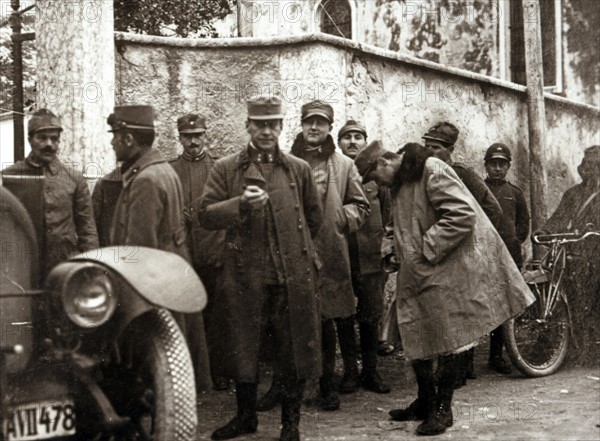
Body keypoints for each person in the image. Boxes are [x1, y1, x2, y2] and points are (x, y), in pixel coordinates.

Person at [354, 141, 534, 436]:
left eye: (375, 177)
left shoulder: (431, 170)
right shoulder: (400, 183)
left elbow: (461, 215)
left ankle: (443, 410)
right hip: (418, 274)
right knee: (419, 338)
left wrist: (423, 248)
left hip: (444, 272)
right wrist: (390, 248)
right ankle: (425, 401)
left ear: (384, 163)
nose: (378, 184)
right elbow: (395, 225)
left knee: (448, 341)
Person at [198, 95, 323, 441]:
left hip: (290, 278)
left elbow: (313, 219)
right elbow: (205, 215)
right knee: (243, 347)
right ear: (248, 127)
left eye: (273, 124)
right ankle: (246, 417)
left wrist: (293, 255)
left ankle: (291, 425)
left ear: (282, 127)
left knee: (293, 350)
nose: (267, 131)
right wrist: (239, 205)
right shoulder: (227, 168)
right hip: (245, 277)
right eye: (260, 124)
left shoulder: (297, 168)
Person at [106, 104, 211, 389]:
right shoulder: (163, 170)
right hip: (174, 273)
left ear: (129, 139)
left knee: (156, 364)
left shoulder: (146, 180)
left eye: (115, 136)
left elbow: (140, 250)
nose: (112, 142)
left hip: (157, 284)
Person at [422, 121, 503, 385]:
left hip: (463, 254)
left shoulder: (463, 175)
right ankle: (452, 368)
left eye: (435, 147)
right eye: (427, 146)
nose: (430, 152)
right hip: (439, 252)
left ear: (450, 149)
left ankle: (463, 368)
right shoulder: (427, 175)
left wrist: (475, 244)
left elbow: (493, 209)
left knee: (464, 311)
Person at [2, 108, 98, 277]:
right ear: (30, 139)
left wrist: (90, 268)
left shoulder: (73, 178)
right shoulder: (9, 177)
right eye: (42, 138)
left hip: (64, 269)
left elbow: (87, 229)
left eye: (54, 139)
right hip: (22, 269)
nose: (49, 144)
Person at [170, 113, 227, 391]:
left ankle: (218, 370)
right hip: (184, 255)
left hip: (214, 252)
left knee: (217, 315)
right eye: (187, 136)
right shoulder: (170, 170)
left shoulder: (219, 168)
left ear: (206, 136)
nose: (193, 141)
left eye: (198, 136)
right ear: (179, 138)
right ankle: (188, 373)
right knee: (186, 315)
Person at [336, 119, 390, 394]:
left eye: (358, 136)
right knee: (344, 314)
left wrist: (387, 247)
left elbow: (389, 217)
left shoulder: (376, 178)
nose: (353, 142)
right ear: (339, 143)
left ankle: (371, 372)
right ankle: (349, 373)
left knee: (370, 315)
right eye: (347, 137)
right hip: (342, 257)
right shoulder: (334, 174)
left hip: (370, 258)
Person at [539, 145, 600, 364]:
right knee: (576, 301)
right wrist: (545, 231)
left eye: (595, 166)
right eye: (587, 165)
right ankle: (576, 348)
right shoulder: (573, 194)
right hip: (578, 256)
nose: (589, 171)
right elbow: (559, 217)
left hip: (597, 255)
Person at [484, 142, 530, 374]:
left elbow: (523, 225)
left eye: (502, 164)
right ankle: (465, 364)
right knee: (479, 304)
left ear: (509, 166)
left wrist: (513, 242)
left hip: (509, 255)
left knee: (504, 307)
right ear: (486, 165)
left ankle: (496, 356)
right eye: (493, 164)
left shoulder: (515, 193)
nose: (497, 168)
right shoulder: (479, 190)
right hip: (484, 254)